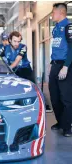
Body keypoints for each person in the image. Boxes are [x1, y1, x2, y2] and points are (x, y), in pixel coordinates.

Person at [49, 3, 72, 137]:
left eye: (53, 12)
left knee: (66, 98)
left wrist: (66, 66)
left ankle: (67, 127)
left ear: (61, 13)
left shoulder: (68, 27)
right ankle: (61, 121)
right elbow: (56, 48)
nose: (52, 15)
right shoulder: (56, 28)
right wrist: (52, 63)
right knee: (54, 96)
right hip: (55, 64)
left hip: (65, 65)